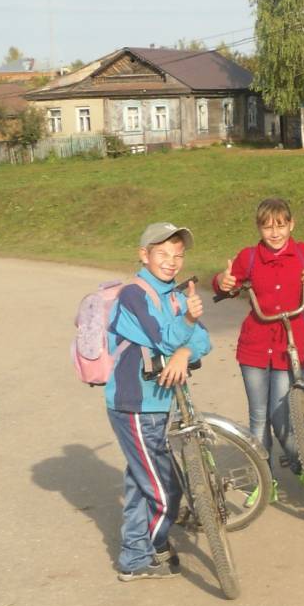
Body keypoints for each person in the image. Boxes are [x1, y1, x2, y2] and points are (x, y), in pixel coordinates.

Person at [213, 197, 304, 490]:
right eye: (267, 227)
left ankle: (301, 464)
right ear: (259, 228)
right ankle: (262, 481)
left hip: (287, 349)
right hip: (254, 347)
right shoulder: (250, 257)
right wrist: (223, 281)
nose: (275, 233)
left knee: (281, 419)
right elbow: (224, 285)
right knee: (257, 418)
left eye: (280, 226)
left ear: (291, 225)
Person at [105, 222, 211, 581]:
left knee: (141, 479)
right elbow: (164, 339)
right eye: (162, 254)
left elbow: (204, 342)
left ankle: (135, 557)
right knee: (165, 487)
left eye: (178, 255)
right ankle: (154, 546)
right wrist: (187, 327)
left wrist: (185, 347)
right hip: (135, 402)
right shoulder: (134, 295)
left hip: (159, 402)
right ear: (143, 255)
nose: (171, 262)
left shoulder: (175, 294)